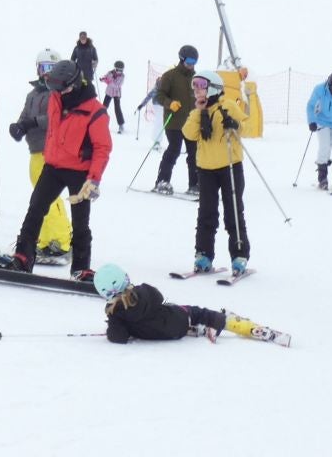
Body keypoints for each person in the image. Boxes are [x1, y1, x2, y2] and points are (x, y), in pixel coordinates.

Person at [0, 54, 113, 277]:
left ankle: (81, 268)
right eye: (55, 89)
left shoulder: (95, 111)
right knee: (35, 210)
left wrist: (94, 179)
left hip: (80, 173)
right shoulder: (56, 98)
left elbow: (103, 148)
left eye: (61, 89)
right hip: (52, 166)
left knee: (81, 222)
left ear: (75, 84)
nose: (57, 93)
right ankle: (23, 257)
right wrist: (24, 125)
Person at [91, 264, 287, 345]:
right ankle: (233, 324)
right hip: (178, 318)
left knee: (164, 320)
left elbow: (118, 337)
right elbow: (159, 297)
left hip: (170, 335)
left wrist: (114, 324)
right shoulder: (145, 291)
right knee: (197, 312)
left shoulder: (117, 317)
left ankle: (198, 329)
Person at [184, 68, 250, 276]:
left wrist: (235, 124)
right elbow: (189, 133)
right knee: (206, 213)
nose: (197, 90)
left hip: (230, 166)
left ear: (213, 88)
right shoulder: (197, 112)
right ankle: (203, 254)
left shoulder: (227, 105)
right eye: (194, 85)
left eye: (201, 86)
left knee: (233, 211)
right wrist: (198, 111)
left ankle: (239, 255)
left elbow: (245, 127)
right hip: (205, 168)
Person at [7, 52, 72, 262]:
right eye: (44, 68)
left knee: (48, 196)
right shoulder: (33, 94)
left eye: (52, 69)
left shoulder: (60, 93)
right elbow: (26, 114)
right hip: (35, 150)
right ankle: (44, 239)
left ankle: (61, 242)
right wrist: (19, 126)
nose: (47, 74)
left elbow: (57, 117)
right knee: (39, 197)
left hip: (51, 150)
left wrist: (33, 123)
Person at [151, 45, 200, 196]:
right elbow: (159, 95)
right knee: (174, 150)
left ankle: (195, 184)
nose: (192, 64)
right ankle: (162, 181)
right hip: (174, 122)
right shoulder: (170, 76)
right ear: (182, 59)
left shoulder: (197, 78)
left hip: (191, 123)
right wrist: (169, 103)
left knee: (194, 153)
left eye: (195, 61)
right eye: (190, 60)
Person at [100, 61, 126, 134]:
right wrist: (103, 79)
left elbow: (117, 85)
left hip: (116, 94)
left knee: (117, 108)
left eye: (121, 70)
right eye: (118, 70)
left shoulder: (122, 76)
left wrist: (109, 81)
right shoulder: (110, 73)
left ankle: (121, 124)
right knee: (104, 107)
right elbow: (106, 78)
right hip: (109, 92)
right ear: (115, 69)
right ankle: (101, 121)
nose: (119, 72)